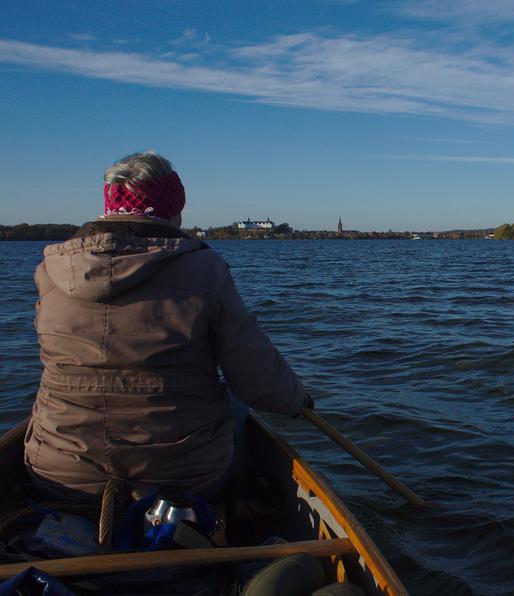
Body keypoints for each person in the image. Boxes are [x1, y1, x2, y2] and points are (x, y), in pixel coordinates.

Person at [24, 151, 312, 503]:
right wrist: (298, 401)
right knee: (236, 404)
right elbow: (255, 375)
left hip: (56, 471)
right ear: (173, 210)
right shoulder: (204, 269)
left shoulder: (50, 271)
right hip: (180, 479)